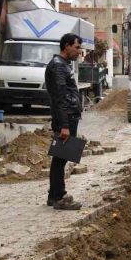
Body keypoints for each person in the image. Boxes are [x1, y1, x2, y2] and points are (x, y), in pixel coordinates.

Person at [45, 33, 83, 210]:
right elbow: (59, 97)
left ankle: (54, 195)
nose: (79, 51)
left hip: (67, 116)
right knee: (61, 158)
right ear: (66, 46)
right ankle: (59, 197)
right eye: (76, 47)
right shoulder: (58, 67)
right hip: (65, 117)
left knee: (61, 157)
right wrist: (65, 125)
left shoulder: (62, 65)